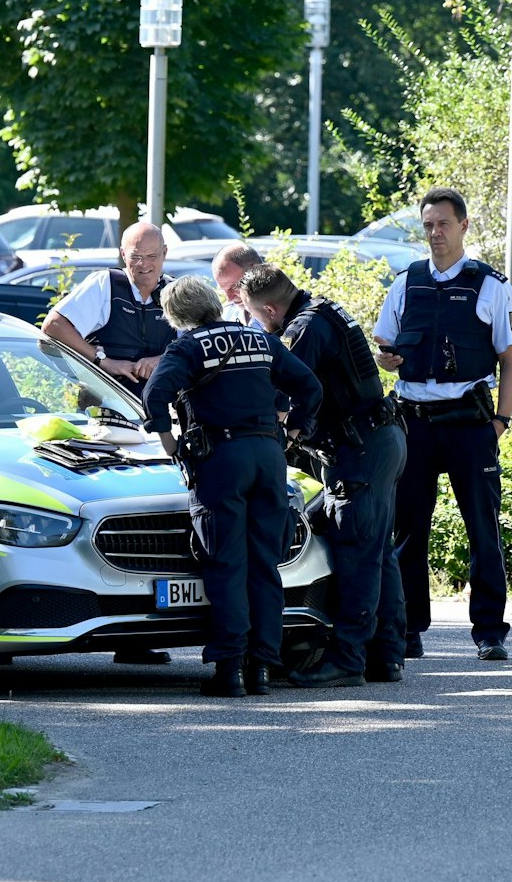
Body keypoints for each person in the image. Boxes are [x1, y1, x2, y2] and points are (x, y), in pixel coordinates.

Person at [142, 276, 323, 697]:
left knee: (226, 564)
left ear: (177, 316)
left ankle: (229, 670)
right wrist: (293, 432)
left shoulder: (187, 347)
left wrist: (169, 441)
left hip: (222, 461)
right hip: (267, 457)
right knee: (264, 565)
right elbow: (309, 387)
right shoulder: (259, 340)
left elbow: (155, 395)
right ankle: (261, 667)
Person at [240, 263, 408, 687]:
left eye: (256, 317)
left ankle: (348, 659)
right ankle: (386, 655)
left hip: (360, 450)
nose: (257, 325)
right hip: (378, 440)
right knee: (375, 549)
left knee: (357, 553)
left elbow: (282, 390)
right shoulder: (323, 309)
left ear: (272, 309)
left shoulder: (303, 330)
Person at [373, 188, 512, 661]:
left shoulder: (493, 286)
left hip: (469, 424)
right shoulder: (406, 282)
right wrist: (387, 358)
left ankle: (490, 632)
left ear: (463, 227)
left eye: (443, 224)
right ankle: (408, 628)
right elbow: (384, 346)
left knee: (482, 527)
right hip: (413, 422)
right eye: (428, 225)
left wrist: (501, 420)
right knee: (407, 530)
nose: (435, 233)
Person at [42, 220, 175, 398]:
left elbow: (198, 347)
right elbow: (53, 325)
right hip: (108, 406)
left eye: (151, 256)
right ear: (123, 254)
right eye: (135, 257)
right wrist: (103, 361)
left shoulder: (176, 291)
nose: (143, 264)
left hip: (163, 407)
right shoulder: (105, 284)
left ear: (164, 253)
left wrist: (161, 361)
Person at [212, 241, 264, 324]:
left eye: (235, 286)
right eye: (223, 290)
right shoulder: (225, 316)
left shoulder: (286, 313)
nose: (230, 298)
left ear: (257, 271)